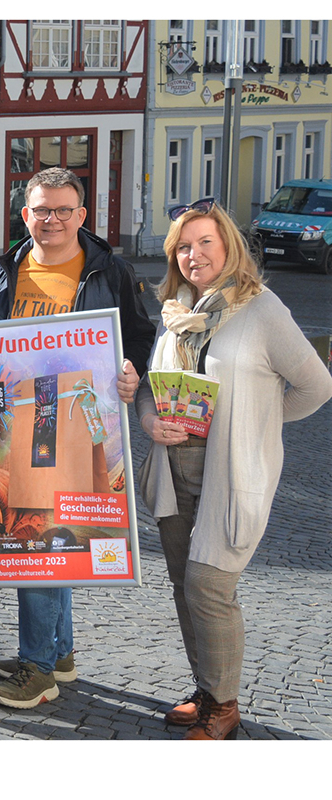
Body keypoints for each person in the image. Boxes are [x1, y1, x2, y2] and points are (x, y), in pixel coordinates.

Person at [0, 167, 155, 708]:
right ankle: (57, 650)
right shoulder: (0, 271)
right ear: (25, 214)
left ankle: (36, 671)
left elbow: (140, 336)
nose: (50, 220)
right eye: (40, 210)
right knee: (35, 525)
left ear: (82, 216)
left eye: (62, 210)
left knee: (39, 536)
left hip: (75, 423)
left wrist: (133, 372)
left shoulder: (110, 271)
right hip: (20, 419)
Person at [136, 199, 331, 739]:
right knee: (183, 584)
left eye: (205, 242)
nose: (194, 254)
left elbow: (317, 386)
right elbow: (154, 389)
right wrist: (151, 420)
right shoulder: (176, 309)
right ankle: (205, 686)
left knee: (208, 586)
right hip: (175, 471)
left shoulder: (262, 309)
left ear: (229, 247)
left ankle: (224, 707)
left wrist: (258, 425)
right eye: (184, 244)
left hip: (233, 473)